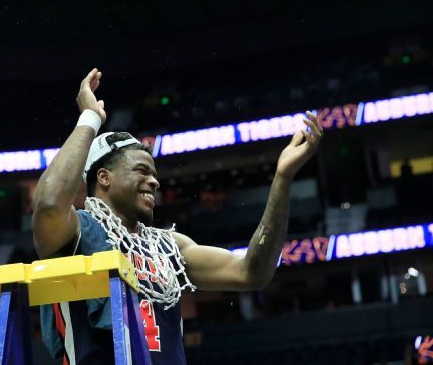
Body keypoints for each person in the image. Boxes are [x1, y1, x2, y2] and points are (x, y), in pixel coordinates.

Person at [32, 68, 324, 365]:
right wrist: (90, 118)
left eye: (154, 174)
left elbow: (252, 272)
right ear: (104, 177)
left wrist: (282, 178)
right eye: (142, 171)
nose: (155, 182)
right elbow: (48, 204)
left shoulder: (170, 247)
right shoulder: (77, 231)